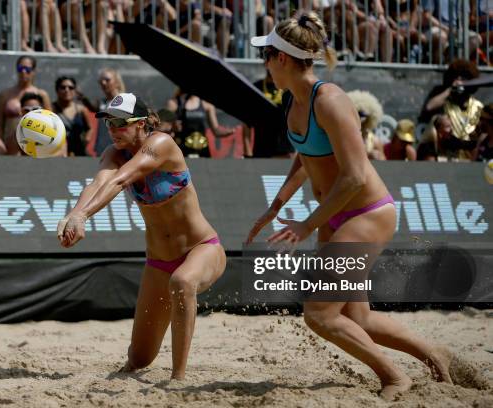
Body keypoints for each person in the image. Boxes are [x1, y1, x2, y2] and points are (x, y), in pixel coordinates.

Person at [247, 11, 452, 400]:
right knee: (355, 317)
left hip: (366, 213)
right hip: (337, 215)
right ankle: (432, 353)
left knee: (320, 313)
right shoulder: (295, 101)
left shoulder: (331, 100)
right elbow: (305, 156)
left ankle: (394, 377)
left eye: (266, 55)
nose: (265, 64)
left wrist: (307, 225)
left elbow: (356, 176)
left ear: (283, 59)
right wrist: (276, 205)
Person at [56, 92, 226, 380]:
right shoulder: (113, 153)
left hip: (202, 249)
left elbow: (121, 179)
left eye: (120, 123)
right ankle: (146, 363)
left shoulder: (161, 143)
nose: (112, 130)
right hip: (159, 262)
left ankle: (178, 379)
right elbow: (99, 183)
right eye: (108, 123)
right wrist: (74, 214)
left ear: (142, 124)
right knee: (139, 358)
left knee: (183, 281)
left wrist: (84, 216)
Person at [0, 56, 52, 155]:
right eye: (20, 69)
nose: (23, 72)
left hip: (34, 142)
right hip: (11, 144)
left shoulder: (41, 95)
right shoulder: (5, 95)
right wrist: (0, 144)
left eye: (28, 69)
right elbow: (0, 124)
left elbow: (51, 123)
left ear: (34, 71)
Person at [167, 90, 234, 158]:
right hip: (182, 150)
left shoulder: (206, 104)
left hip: (202, 150)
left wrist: (228, 131)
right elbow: (164, 127)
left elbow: (216, 131)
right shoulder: (174, 103)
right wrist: (172, 127)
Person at [52, 76, 93, 156]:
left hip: (79, 151)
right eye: (63, 87)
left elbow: (89, 128)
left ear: (74, 91)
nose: (67, 90)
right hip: (58, 152)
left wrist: (86, 139)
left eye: (71, 88)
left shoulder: (81, 109)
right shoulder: (51, 109)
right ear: (57, 90)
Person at [347, 90, 385, 160]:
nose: (360, 118)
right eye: (357, 114)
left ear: (370, 117)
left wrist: (377, 157)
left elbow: (386, 165)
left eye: (363, 115)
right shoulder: (343, 138)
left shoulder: (375, 142)